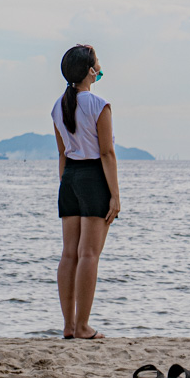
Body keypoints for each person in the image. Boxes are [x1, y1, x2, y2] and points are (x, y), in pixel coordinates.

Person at [51, 44, 120, 340]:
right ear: (90, 70)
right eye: (97, 62)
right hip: (93, 176)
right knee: (89, 254)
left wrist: (66, 184)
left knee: (69, 254)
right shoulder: (99, 104)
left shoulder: (58, 106)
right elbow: (107, 153)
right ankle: (83, 326)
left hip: (70, 178)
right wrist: (115, 195)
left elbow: (62, 154)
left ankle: (68, 326)